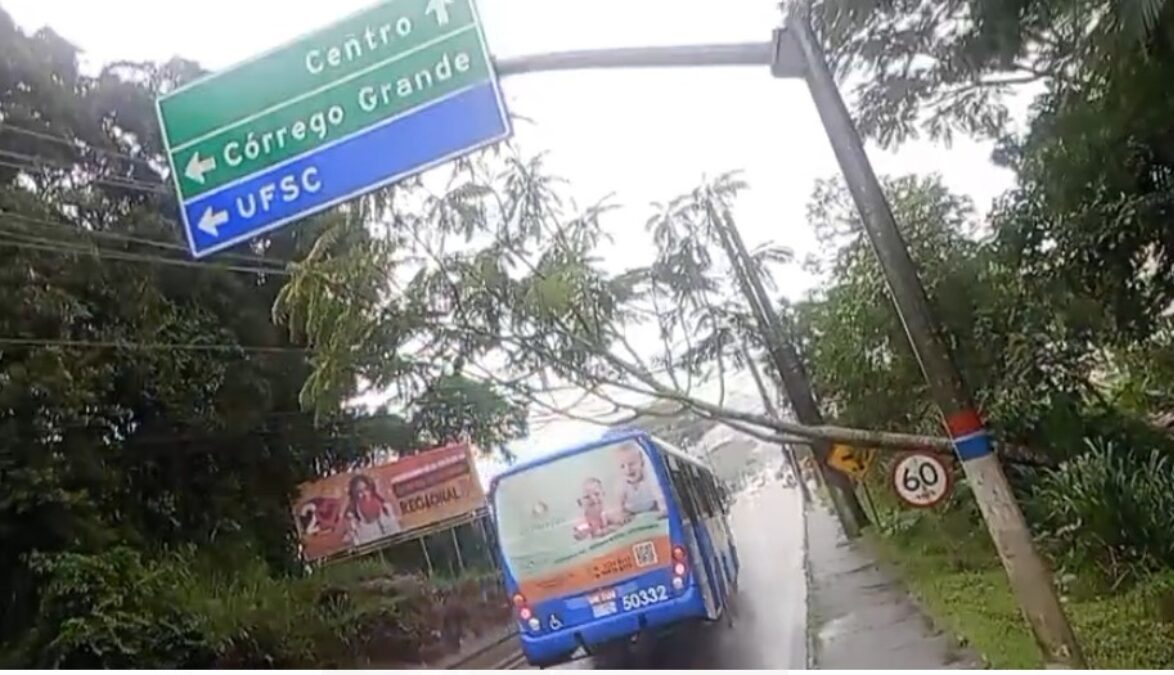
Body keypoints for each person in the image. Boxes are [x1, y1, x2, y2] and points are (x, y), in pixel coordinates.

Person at [344, 473, 401, 546]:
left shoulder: (386, 509)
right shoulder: (354, 523)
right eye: (359, 492)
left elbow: (397, 535)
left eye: (366, 489)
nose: (364, 494)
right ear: (354, 496)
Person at [617, 443, 666, 519]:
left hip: (651, 509)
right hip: (631, 513)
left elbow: (659, 495)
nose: (628, 469)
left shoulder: (649, 479)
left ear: (642, 462)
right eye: (622, 466)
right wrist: (621, 515)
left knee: (659, 513)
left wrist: (663, 509)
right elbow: (618, 503)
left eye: (631, 464)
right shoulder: (622, 484)